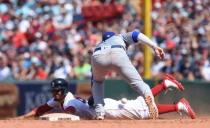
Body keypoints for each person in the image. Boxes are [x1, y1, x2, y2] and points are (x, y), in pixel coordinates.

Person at [15, 75, 196, 120]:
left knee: (143, 112)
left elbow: (70, 116)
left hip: (105, 109)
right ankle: (165, 85)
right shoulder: (60, 100)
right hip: (102, 108)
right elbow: (41, 109)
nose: (54, 94)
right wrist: (22, 118)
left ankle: (178, 105)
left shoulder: (68, 102)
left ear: (62, 91)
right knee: (141, 105)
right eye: (54, 91)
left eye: (56, 91)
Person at [91, 30, 165, 119]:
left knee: (97, 82)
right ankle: (148, 97)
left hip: (98, 55)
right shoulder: (119, 37)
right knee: (138, 83)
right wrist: (154, 47)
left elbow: (94, 79)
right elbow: (136, 34)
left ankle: (100, 112)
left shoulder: (99, 44)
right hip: (117, 52)